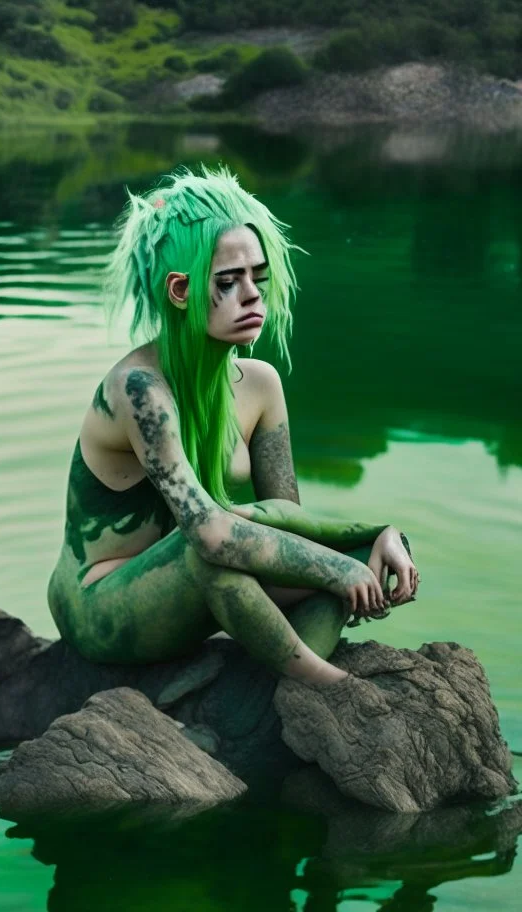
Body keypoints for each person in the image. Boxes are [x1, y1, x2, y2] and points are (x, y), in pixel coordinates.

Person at [47, 165, 420, 687]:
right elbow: (214, 537)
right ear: (180, 291)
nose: (252, 295)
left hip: (198, 580)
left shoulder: (260, 384)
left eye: (257, 278)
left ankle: (283, 695)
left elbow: (285, 518)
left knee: (337, 556)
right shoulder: (139, 391)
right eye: (228, 282)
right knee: (214, 548)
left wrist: (374, 537)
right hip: (103, 607)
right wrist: (337, 570)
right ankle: (331, 688)